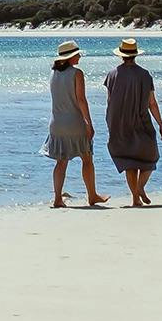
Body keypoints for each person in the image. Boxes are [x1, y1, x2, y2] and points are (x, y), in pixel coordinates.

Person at [102, 36, 162, 207]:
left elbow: (110, 102)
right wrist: (160, 124)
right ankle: (138, 191)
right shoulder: (145, 75)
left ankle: (136, 195)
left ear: (121, 55)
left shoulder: (112, 74)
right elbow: (151, 103)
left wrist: (110, 123)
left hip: (119, 122)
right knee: (150, 157)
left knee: (129, 161)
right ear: (135, 55)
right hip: (141, 121)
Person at [46, 40, 111, 208]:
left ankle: (57, 199)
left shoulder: (53, 74)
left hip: (56, 123)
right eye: (77, 54)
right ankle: (92, 195)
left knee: (61, 162)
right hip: (74, 122)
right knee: (87, 159)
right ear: (70, 57)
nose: (79, 57)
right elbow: (81, 100)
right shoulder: (77, 73)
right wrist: (88, 122)